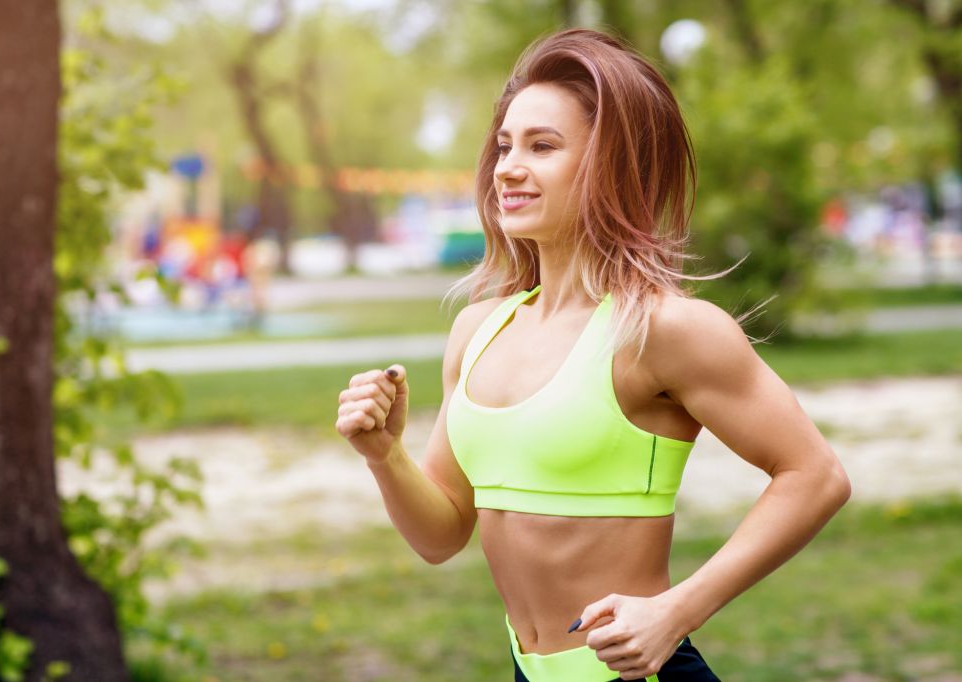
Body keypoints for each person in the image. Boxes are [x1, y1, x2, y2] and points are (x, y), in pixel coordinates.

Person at [335, 28, 851, 682]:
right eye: (504, 146)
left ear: (611, 163)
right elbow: (441, 536)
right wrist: (385, 455)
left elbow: (815, 476)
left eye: (542, 146)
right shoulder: (476, 330)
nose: (508, 168)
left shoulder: (661, 329)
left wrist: (676, 611)